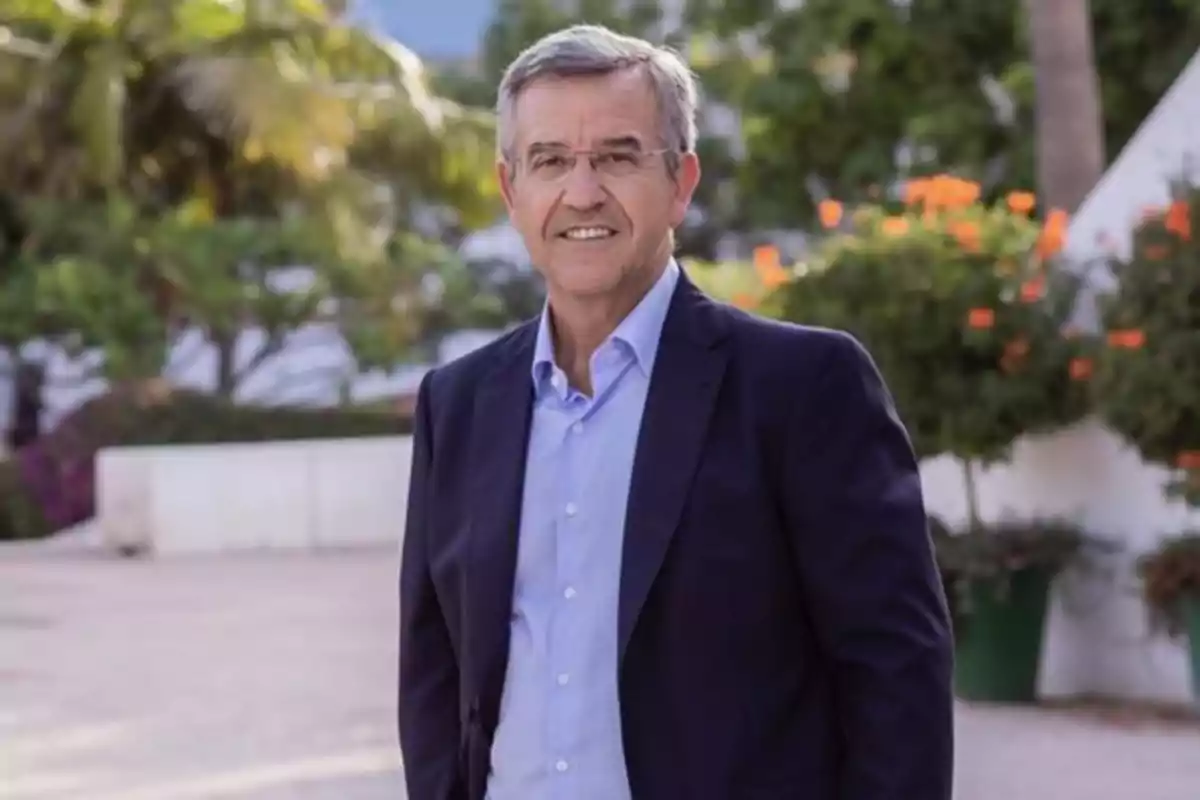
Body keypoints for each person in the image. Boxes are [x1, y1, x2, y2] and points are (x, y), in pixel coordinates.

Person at [398, 24, 954, 800]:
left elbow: (895, 672)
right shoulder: (456, 406)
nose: (582, 191)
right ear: (510, 190)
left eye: (619, 156)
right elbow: (435, 674)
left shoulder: (803, 387)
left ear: (681, 182)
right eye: (550, 160)